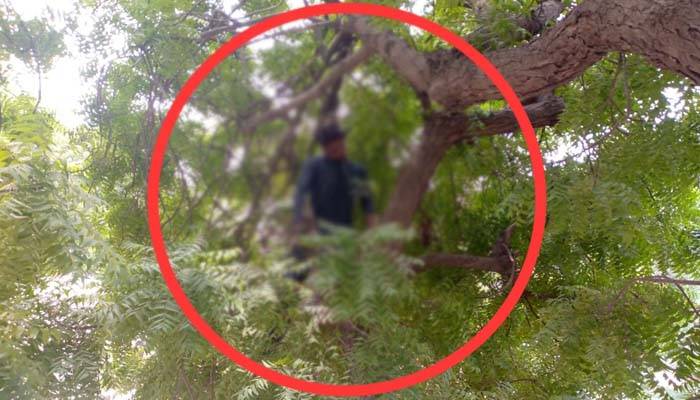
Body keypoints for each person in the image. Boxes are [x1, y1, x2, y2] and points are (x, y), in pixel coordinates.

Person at [287, 124, 376, 280]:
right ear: (325, 147)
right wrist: (297, 221)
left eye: (339, 143)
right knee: (297, 267)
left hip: (345, 232)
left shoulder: (356, 170)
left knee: (343, 277)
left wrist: (372, 229)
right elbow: (300, 191)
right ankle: (288, 291)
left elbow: (367, 202)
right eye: (330, 145)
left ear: (343, 142)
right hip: (318, 228)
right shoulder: (314, 165)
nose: (336, 147)